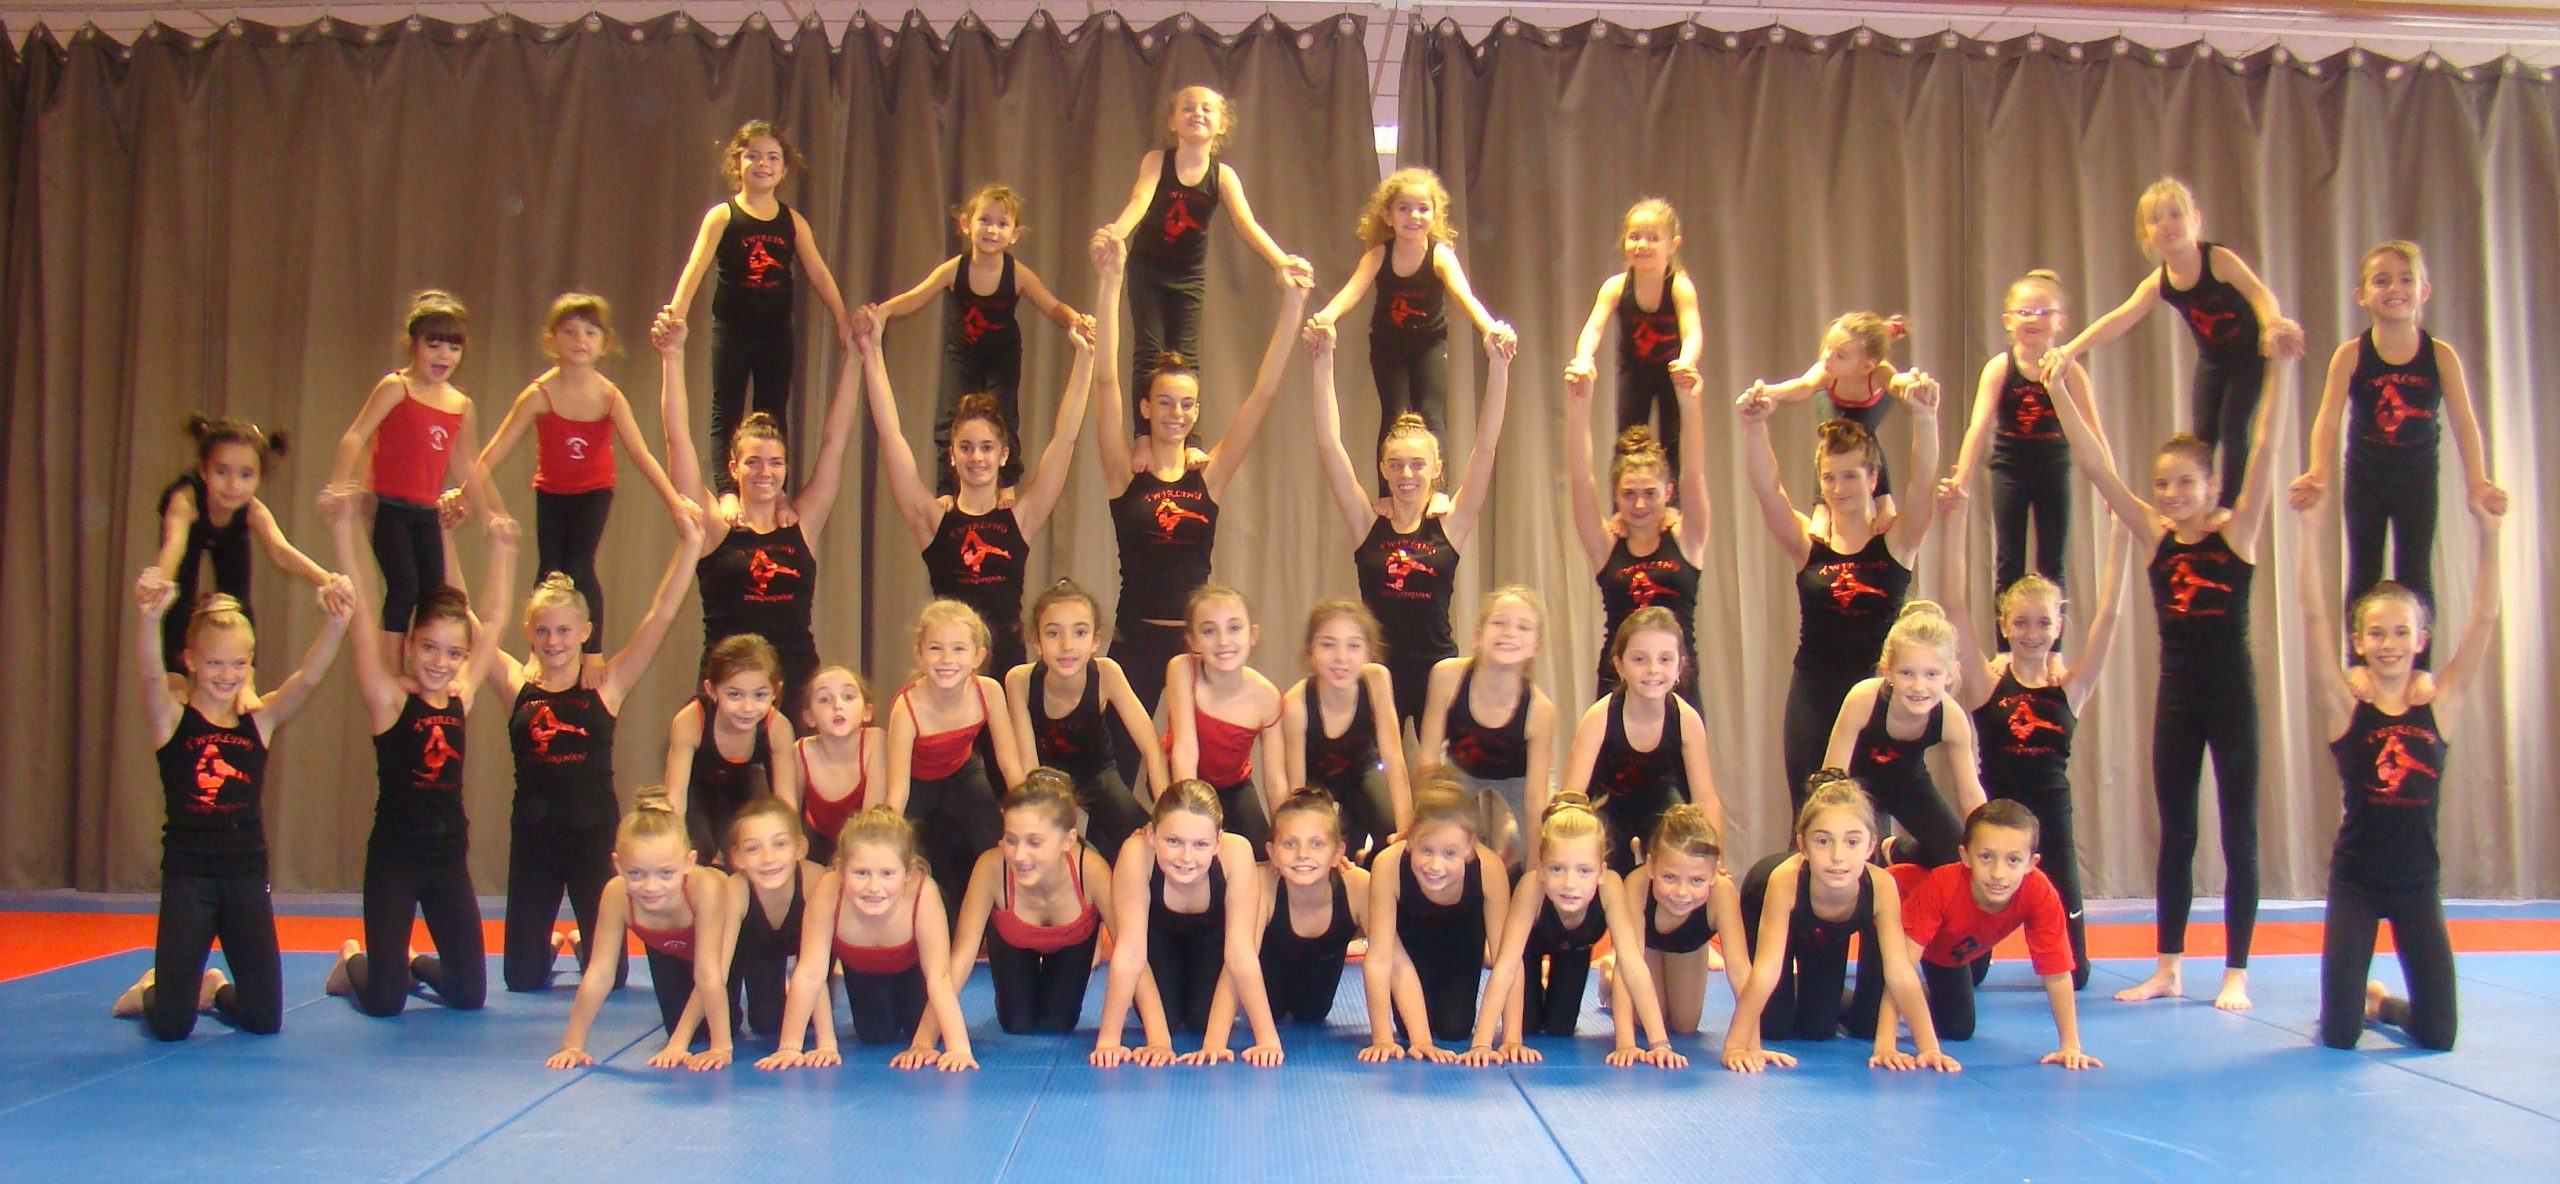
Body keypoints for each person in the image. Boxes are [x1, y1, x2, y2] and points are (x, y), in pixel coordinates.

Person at [2046, 344, 2298, 1011]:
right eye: (2163, 484)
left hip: (2232, 695)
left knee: (2238, 832)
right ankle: (2169, 966)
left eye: (2186, 483)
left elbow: (2266, 448)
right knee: (2177, 833)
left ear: (2212, 486)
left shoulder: (2237, 535)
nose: (2172, 494)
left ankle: (2236, 970)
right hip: (2179, 697)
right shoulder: (2155, 538)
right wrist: (2058, 389)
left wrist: (2281, 369)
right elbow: (2096, 467)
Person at [2296, 485, 2502, 1051]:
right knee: (2340, 1035)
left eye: (2401, 632)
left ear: (2421, 639)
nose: (2389, 645)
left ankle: (2382, 1003)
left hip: (2417, 884)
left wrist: (2489, 533)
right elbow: (2312, 618)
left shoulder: (2441, 706)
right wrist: (2310, 529)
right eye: (2377, 633)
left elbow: (2485, 619)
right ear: (2359, 642)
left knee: (2439, 1035)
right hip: (2356, 882)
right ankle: (2355, 1006)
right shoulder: (2345, 707)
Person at [114, 576, 351, 1040]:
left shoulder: (258, 721)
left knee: (264, 1019)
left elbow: (307, 679)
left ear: (251, 663)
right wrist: (149, 618)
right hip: (190, 879)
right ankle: (150, 991)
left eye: (239, 663)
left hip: (245, 877)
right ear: (190, 661)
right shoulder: (173, 720)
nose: (227, 674)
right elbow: (149, 675)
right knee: (172, 1026)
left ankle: (215, 989)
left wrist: (336, 624)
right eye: (215, 663)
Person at [1090, 231, 1308, 731]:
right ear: (1146, 408)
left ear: (1196, 412)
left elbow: (1262, 395)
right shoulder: (1125, 472)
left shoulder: (1209, 474)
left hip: (1198, 643)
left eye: (1187, 404)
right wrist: (1110, 281)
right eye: (1165, 402)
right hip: (1136, 637)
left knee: (1200, 759)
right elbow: (1105, 383)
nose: (1176, 413)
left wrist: (1293, 307)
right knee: (1120, 756)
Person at [862, 240, 1105, 673]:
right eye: (966, 447)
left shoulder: (1020, 519)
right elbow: (891, 434)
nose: (977, 457)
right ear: (952, 455)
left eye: (987, 448)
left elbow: (1065, 438)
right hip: (950, 668)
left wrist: (1085, 359)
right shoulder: (933, 521)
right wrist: (872, 352)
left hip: (1007, 672)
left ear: (1004, 455)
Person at [321, 481, 517, 1018]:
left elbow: (494, 623)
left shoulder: (461, 696)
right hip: (396, 859)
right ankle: (354, 962)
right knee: (385, 1002)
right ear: (409, 645)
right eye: (429, 647)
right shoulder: (389, 700)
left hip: (447, 858)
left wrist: (503, 553)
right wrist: (343, 530)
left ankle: (409, 964)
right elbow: (364, 618)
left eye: (453, 653)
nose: (439, 662)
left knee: (469, 993)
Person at [489, 520, 701, 993]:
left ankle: (583, 943)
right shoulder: (515, 686)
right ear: (529, 632)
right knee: (521, 979)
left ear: (586, 631)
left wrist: (689, 545)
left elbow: (661, 614)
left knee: (613, 977)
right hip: (534, 839)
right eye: (543, 631)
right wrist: (474, 545)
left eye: (564, 630)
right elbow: (472, 623)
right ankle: (550, 946)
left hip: (593, 838)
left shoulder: (608, 685)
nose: (554, 641)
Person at [1935, 482, 2132, 986]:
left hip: (2051, 823)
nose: (2031, 633)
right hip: (1995, 825)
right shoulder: (1986, 683)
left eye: (2043, 623)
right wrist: (1954, 519)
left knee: (2076, 974)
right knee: (1969, 974)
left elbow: (2109, 614)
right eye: (2020, 622)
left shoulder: (2071, 687)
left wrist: (2121, 531)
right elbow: (1954, 604)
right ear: (2004, 624)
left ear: (2059, 626)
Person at [2292, 240, 2506, 661]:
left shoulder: (2439, 356)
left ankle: (2419, 666)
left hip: (2417, 477)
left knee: (2415, 570)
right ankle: (2359, 664)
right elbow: (2327, 419)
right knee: (2363, 568)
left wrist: (2477, 482)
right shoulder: (2351, 355)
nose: (2395, 289)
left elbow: (2465, 423)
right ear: (2362, 295)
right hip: (2366, 475)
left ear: (2424, 291)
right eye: (2382, 280)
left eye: (2407, 280)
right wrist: (2318, 473)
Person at [1738, 383, 1939, 816]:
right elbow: (1768, 490)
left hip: (1876, 695)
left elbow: (1923, 485)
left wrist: (1925, 418)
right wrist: (1755, 427)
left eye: (1850, 476)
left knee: (1866, 820)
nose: (1838, 487)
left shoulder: (1896, 541)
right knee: (1810, 814)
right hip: (1814, 693)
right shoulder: (1808, 543)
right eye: (1829, 477)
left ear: (1873, 478)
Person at [2039, 177, 2304, 505]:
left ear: (2196, 220)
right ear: (2146, 235)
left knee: (2234, 427)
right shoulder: (2160, 282)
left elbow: (2259, 293)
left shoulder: (2217, 260)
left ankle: (2228, 506)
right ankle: (2199, 504)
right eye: (2155, 219)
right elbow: (2120, 318)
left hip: (2248, 357)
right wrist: (2070, 349)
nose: (2166, 224)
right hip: (2213, 361)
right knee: (2202, 436)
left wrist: (2272, 325)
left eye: (2175, 214)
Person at [654, 308, 861, 726]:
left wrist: (856, 358)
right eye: (753, 462)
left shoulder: (801, 523)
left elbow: (835, 442)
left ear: (785, 468)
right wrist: (671, 357)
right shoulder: (716, 527)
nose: (765, 472)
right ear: (733, 468)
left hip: (796, 686)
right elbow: (678, 441)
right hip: (730, 689)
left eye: (775, 462)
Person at [1307, 316, 1514, 729]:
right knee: (1380, 767)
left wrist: (1499, 366)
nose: (1406, 474)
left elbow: (1486, 448)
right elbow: (1330, 446)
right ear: (1383, 469)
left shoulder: (1449, 524)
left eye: (1418, 464)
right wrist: (1322, 359)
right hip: (1377, 670)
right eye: (1397, 464)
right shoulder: (1367, 523)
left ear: (1436, 468)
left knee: (1436, 770)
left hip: (1436, 671)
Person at [465, 294, 698, 654]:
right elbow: (495, 450)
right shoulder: (539, 395)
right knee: (549, 571)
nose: (580, 340)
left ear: (605, 344)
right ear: (551, 341)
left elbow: (641, 454)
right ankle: (541, 651)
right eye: (570, 332)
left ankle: (592, 653)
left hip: (593, 491)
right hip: (552, 492)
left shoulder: (610, 397)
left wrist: (675, 503)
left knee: (579, 566)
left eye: (590, 332)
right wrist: (465, 492)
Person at [664, 120, 854, 496]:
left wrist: (841, 317)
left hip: (775, 331)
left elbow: (818, 271)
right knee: (727, 409)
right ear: (738, 164)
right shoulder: (723, 216)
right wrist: (675, 315)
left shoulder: (792, 222)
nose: (763, 164)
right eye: (753, 156)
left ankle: (776, 491)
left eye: (772, 157)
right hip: (732, 330)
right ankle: (727, 490)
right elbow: (695, 266)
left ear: (783, 170)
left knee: (774, 410)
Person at [859, 183, 1090, 490]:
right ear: (967, 224)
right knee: (949, 414)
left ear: (1015, 234)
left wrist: (1074, 319)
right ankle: (946, 485)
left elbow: (1052, 306)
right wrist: (883, 311)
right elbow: (915, 296)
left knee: (1003, 413)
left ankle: (1006, 483)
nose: (992, 230)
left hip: (1002, 354)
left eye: (1002, 224)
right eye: (984, 220)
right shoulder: (955, 269)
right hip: (963, 351)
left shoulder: (1017, 274)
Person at [1101, 84, 1312, 416]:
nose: (1196, 113)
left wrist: (1280, 261)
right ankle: (1144, 432)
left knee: (1186, 354)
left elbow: (1245, 223)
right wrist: (1117, 233)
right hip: (1148, 270)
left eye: (1206, 108)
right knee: (1149, 351)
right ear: (1172, 121)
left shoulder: (1222, 176)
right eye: (1187, 107)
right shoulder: (1157, 161)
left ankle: (1189, 433)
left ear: (1222, 124)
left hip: (1188, 276)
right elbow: (1140, 199)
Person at [1724, 777, 1954, 1073]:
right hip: (1767, 910)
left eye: (1852, 842)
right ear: (1803, 845)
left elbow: (1900, 972)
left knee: (1819, 1028)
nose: (1837, 856)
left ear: (1871, 845)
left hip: (1825, 932)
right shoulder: (1785, 880)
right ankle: (1791, 987)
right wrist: (1735, 1046)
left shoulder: (1882, 885)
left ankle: (1808, 985)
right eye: (1823, 841)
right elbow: (1766, 970)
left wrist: (1929, 1048)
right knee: (1773, 1026)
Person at [1848, 802, 2096, 1069]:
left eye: (2013, 860)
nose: (1998, 874)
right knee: (1867, 1025)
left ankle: (1914, 1001)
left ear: (2031, 863)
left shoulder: (2039, 893)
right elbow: (1901, 969)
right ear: (1965, 856)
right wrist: (1887, 1044)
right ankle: (1835, 996)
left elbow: (2057, 972)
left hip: (1945, 947)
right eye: (1986, 857)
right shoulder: (1943, 885)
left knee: (1958, 1028)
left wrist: (2070, 1045)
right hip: (1890, 918)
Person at [328, 291, 501, 647]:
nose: (444, 356)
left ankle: (424, 661)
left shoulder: (460, 404)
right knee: (403, 586)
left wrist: (487, 512)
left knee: (434, 594)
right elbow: (357, 435)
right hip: (391, 506)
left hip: (426, 511)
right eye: (433, 346)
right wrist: (339, 485)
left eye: (453, 348)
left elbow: (466, 462)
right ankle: (392, 663)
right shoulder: (397, 387)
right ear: (412, 344)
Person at [1465, 794, 1686, 1068]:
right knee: (1528, 1025)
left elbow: (1632, 964)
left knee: (1560, 1027)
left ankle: (1603, 974)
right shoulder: (1531, 887)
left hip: (1577, 947)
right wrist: (1486, 1043)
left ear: (1601, 871)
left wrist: (1658, 1044)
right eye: (1557, 869)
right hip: (1529, 950)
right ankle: (1528, 971)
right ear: (1541, 868)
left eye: (1584, 871)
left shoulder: (1610, 887)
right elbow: (1507, 966)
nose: (1570, 883)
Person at [1303, 166, 1515, 444]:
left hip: (1429, 344)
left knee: (1431, 414)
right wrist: (1326, 318)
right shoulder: (1379, 255)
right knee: (1395, 415)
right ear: (1388, 216)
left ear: (1435, 215)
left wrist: (1489, 327)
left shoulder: (1440, 255)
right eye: (1404, 208)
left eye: (1423, 209)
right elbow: (1352, 291)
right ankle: (1389, 474)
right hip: (1388, 345)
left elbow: (1464, 297)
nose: (1414, 215)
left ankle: (1437, 473)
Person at [761, 808, 976, 1070]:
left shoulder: (923, 893)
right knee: (875, 1034)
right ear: (840, 869)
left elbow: (939, 976)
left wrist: (956, 1048)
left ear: (908, 871)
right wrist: (790, 1046)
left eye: (887, 874)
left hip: (914, 967)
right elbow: (809, 972)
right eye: (861, 873)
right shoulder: (828, 890)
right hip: (863, 966)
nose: (873, 887)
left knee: (923, 1029)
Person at [1091, 780, 1284, 1067]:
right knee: (1166, 1021)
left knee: (1200, 1021)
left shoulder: (1237, 854)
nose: (1186, 857)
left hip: (1213, 943)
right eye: (1173, 841)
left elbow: (1240, 955)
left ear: (1218, 841)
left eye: (1201, 844)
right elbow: (1130, 952)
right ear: (1151, 834)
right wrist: (1121, 1040)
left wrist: (1257, 1040)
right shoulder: (1136, 853)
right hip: (1156, 942)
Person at [1946, 271, 2109, 602]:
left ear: (2061, 321)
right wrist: (1960, 480)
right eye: (2024, 312)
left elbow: (2094, 430)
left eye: (2044, 312)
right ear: (2007, 320)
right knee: (2008, 561)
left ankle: (2053, 635)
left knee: (2052, 562)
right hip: (2010, 470)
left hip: (2054, 469)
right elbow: (1978, 426)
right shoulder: (2000, 368)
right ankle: (2007, 634)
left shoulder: (2071, 372)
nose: (2033, 319)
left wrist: (2111, 488)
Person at [544, 792, 736, 1071]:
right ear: (618, 865)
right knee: (684, 1026)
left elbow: (709, 972)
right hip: (670, 948)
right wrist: (572, 1044)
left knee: (742, 1021)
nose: (650, 887)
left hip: (727, 945)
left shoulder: (705, 889)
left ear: (689, 862)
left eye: (665, 873)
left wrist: (718, 1047)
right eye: (636, 874)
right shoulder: (616, 894)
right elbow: (600, 973)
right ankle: (577, 941)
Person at [145, 415, 337, 688]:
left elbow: (281, 550)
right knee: (179, 600)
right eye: (222, 472)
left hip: (230, 537)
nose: (233, 485)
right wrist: (158, 581)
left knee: (239, 600)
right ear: (203, 471)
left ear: (259, 478)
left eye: (246, 475)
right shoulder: (185, 501)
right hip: (190, 536)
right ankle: (175, 676)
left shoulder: (252, 510)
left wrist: (326, 579)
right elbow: (173, 546)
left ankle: (246, 681)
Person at [932, 772, 1120, 1036]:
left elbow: (1129, 950)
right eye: (1011, 840)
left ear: (1068, 840)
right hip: (1013, 939)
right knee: (1017, 1023)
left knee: (1058, 1023)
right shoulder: (990, 867)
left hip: (1073, 941)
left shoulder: (1092, 870)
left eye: (1034, 842)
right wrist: (925, 1038)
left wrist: (1155, 1036)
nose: (1020, 855)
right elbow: (961, 957)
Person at [1563, 364, 1708, 702]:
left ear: (1668, 492)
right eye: (1629, 494)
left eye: (1650, 493)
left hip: (1677, 680)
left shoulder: (1686, 538)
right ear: (1615, 496)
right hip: (1618, 678)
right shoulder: (1606, 545)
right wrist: (1580, 406)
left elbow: (1694, 476)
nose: (1639, 504)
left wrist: (1690, 404)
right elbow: (1581, 479)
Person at [1818, 602, 1988, 869]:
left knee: (1960, 857)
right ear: (1888, 669)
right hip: (1855, 787)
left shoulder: (1951, 718)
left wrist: (1989, 846)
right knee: (1856, 863)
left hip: (1908, 786)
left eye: (1931, 674)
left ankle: (1900, 851)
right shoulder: (1863, 699)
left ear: (1950, 674)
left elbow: (1970, 794)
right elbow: (1832, 781)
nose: (1919, 686)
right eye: (1906, 673)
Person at [1006, 579, 1165, 862]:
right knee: (1049, 845)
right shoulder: (1020, 680)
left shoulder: (1107, 673)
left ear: (1095, 640)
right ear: (1037, 643)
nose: (1067, 646)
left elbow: (1150, 746)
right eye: (1053, 633)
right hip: (1045, 776)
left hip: (1097, 773)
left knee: (1147, 840)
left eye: (1079, 632)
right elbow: (1028, 764)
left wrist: (1167, 811)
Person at [887, 599, 1027, 918]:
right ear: (919, 655)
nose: (947, 659)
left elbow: (1010, 766)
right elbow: (897, 791)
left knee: (996, 841)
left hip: (962, 773)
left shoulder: (989, 691)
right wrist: (887, 839)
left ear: (978, 656)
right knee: (900, 853)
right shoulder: (907, 707)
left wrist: (1027, 816)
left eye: (959, 649)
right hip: (915, 782)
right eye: (935, 648)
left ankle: (1007, 917)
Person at [1555, 607, 1722, 874]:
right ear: (1620, 665)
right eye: (1640, 659)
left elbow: (1705, 799)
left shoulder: (1686, 720)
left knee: (1683, 847)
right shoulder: (1599, 717)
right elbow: (1570, 799)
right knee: (1599, 853)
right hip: (1607, 808)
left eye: (1665, 659)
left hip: (1663, 808)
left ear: (1680, 667)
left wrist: (1714, 861)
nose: (1653, 669)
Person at [1359, 772, 1512, 1062]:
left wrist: (1509, 1038)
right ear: (1409, 841)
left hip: (1463, 941)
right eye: (1426, 850)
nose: (1435, 865)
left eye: (1450, 853)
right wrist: (1383, 1038)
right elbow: (1380, 959)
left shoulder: (1489, 869)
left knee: (1455, 1029)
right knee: (1408, 1033)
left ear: (1470, 849)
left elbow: (1508, 959)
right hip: (1410, 945)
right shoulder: (1388, 865)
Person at [1416, 587, 1557, 866]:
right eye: (1499, 622)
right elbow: (1428, 760)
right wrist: (1423, 821)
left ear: (1536, 647)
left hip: (1518, 780)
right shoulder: (1447, 677)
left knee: (1546, 845)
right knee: (1441, 837)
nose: (1509, 633)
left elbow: (1534, 798)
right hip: (1460, 770)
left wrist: (1534, 867)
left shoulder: (1540, 710)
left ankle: (1513, 841)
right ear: (1478, 635)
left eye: (1523, 627)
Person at [1566, 198, 1702, 474]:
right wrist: (1583, 358)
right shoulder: (1615, 287)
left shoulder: (1680, 287)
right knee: (1628, 439)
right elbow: (1594, 327)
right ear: (1624, 241)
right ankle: (1624, 496)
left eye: (1653, 238)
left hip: (1671, 375)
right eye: (1635, 237)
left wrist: (1686, 362)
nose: (1642, 244)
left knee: (1674, 441)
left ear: (1673, 245)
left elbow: (1692, 332)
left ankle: (1672, 499)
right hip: (1634, 372)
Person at [1598, 804, 1750, 1039]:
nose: (1682, 892)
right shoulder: (1637, 886)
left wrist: (1750, 1045)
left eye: (1696, 880)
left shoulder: (1722, 893)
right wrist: (1625, 1041)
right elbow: (1629, 966)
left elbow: (1741, 973)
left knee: (1684, 1024)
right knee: (1646, 1018)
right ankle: (1608, 973)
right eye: (1669, 877)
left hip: (1687, 945)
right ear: (1650, 866)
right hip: (1644, 947)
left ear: (1713, 873)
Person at [1278, 600, 1412, 858]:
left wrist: (1405, 831)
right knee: (1324, 848)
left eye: (1353, 646)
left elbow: (1394, 759)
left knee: (1392, 833)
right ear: (1310, 651)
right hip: (1316, 784)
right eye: (1328, 645)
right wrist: (1305, 836)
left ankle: (1367, 859)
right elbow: (1297, 787)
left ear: (1368, 653)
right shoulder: (1296, 704)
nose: (1341, 657)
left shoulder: (1376, 680)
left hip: (1363, 772)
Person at [1163, 585, 1286, 848]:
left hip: (1233, 785)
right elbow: (1185, 749)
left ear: (1252, 635)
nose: (1223, 641)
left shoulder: (1267, 697)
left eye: (1234, 628)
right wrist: (1188, 814)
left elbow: (1276, 781)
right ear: (1193, 641)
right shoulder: (1182, 669)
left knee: (1262, 851)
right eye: (1209, 631)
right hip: (1181, 775)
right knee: (1195, 843)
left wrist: (1286, 836)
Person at [663, 634, 803, 864]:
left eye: (759, 695)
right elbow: (675, 798)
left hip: (742, 786)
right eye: (734, 695)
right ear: (711, 690)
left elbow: (786, 803)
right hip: (694, 788)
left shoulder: (778, 728)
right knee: (696, 849)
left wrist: (789, 853)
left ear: (775, 692)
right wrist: (671, 851)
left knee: (747, 848)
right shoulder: (690, 721)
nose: (747, 707)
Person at [1241, 788, 1373, 1025]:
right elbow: (1240, 960)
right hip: (1268, 970)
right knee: (1270, 1009)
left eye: (1317, 844)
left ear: (1338, 853)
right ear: (1272, 852)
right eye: (1290, 844)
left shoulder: (1358, 885)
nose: (1302, 854)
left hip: (1319, 975)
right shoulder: (1262, 884)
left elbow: (1389, 959)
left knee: (1311, 1014)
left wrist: (1383, 1036)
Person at [718, 796, 825, 1040]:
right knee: (766, 1023)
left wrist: (825, 1042)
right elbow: (716, 972)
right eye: (753, 848)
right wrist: (682, 1040)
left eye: (780, 844)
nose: (768, 858)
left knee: (809, 1014)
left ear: (799, 848)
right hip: (760, 947)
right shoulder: (735, 890)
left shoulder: (816, 882)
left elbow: (814, 967)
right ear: (737, 857)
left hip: (811, 954)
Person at [795, 666, 886, 868]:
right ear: (809, 717)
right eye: (824, 699)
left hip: (866, 839)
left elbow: (872, 821)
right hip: (817, 842)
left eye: (848, 696)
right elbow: (787, 818)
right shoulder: (800, 752)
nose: (837, 705)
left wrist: (845, 863)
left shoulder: (876, 742)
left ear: (867, 712)